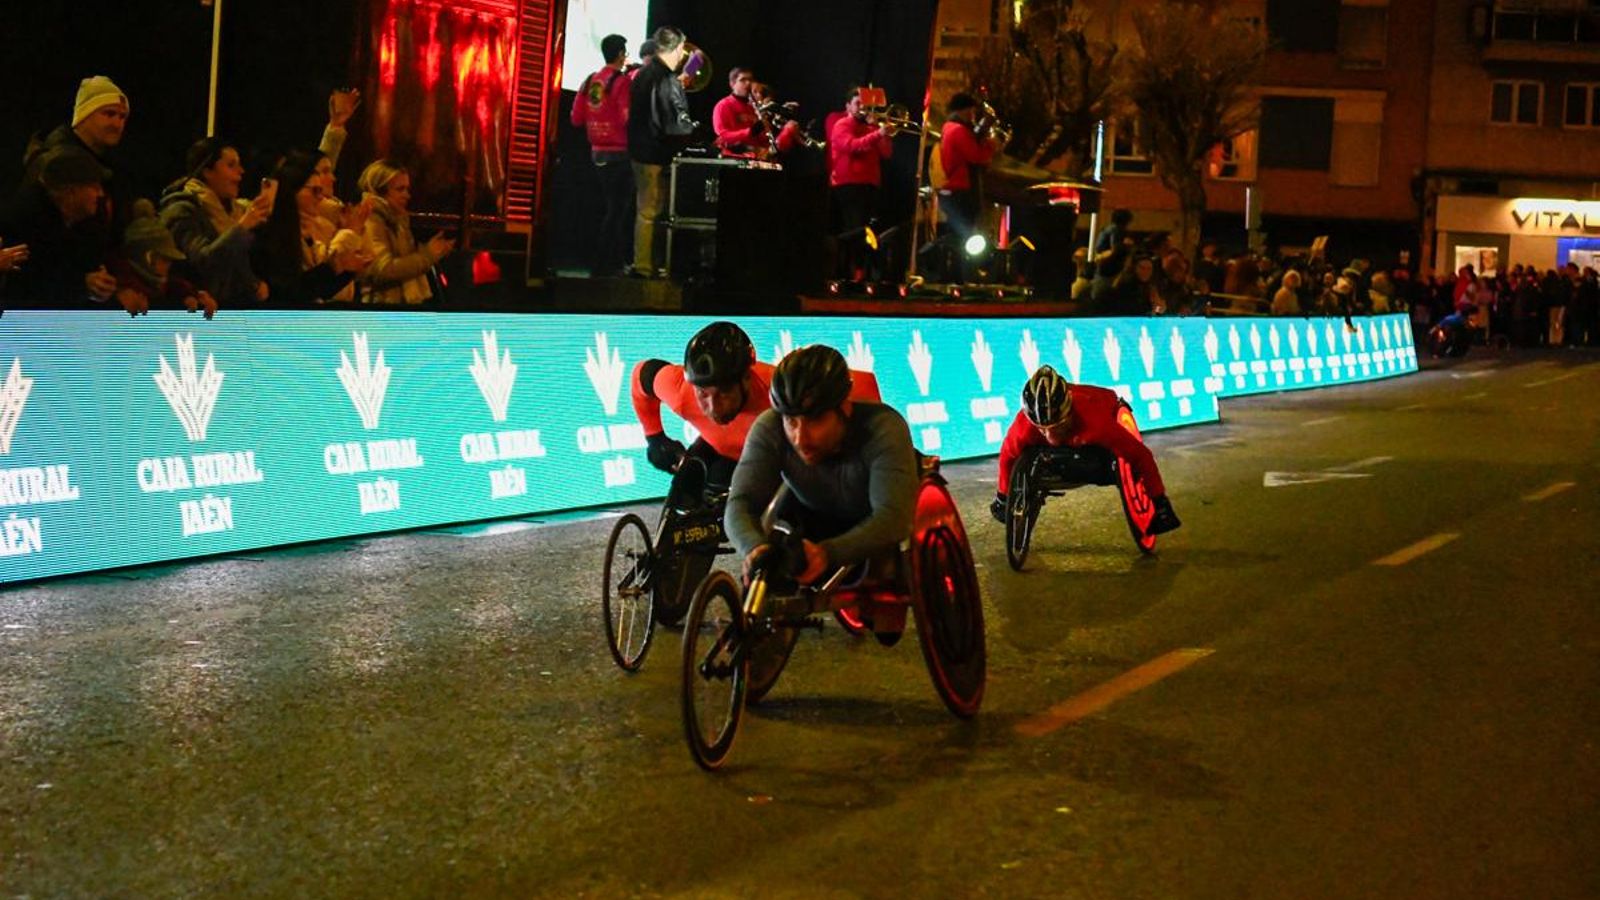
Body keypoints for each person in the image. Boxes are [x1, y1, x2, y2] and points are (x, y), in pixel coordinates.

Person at [724, 344, 918, 601]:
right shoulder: (769, 427)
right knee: (768, 563)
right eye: (791, 421)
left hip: (872, 519)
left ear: (844, 408)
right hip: (812, 512)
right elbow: (740, 503)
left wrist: (828, 553)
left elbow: (894, 518)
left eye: (815, 420)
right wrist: (755, 548)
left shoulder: (884, 427)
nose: (800, 438)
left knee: (887, 625)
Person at [632, 321, 882, 490]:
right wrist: (654, 437)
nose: (713, 406)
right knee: (686, 486)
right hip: (722, 452)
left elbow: (864, 385)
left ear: (746, 378)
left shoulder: (781, 390)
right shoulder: (681, 392)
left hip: (779, 460)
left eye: (724, 392)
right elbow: (641, 375)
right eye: (703, 393)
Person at [990, 365, 1181, 536]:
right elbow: (1007, 457)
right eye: (1042, 429)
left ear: (1067, 414)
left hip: (1105, 404)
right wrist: (1003, 497)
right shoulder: (1024, 426)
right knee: (1018, 448)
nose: (1049, 435)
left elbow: (1141, 455)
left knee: (1106, 461)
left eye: (1056, 427)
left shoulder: (1095, 422)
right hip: (1068, 429)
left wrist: (1160, 503)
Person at [158, 137, 276, 305]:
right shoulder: (182, 210)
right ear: (207, 171)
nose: (241, 171)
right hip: (199, 311)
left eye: (240, 164)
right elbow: (203, 261)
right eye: (231, 165)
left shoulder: (235, 210)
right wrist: (242, 227)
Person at [250, 150, 370, 305]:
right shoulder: (271, 232)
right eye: (315, 190)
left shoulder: (304, 231)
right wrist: (332, 267)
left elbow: (313, 290)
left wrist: (346, 271)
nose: (320, 197)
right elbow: (287, 293)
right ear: (292, 190)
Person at [21, 76, 131, 242]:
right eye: (109, 114)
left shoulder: (105, 164)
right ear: (84, 114)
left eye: (122, 117)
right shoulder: (60, 162)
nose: (117, 123)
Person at [0, 149, 115, 306]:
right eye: (94, 187)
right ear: (71, 192)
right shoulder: (25, 219)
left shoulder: (89, 220)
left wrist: (97, 283)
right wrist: (82, 285)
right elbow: (27, 286)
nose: (100, 194)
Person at [626, 26, 695, 279]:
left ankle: (646, 264)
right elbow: (674, 124)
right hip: (654, 153)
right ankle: (645, 266)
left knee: (646, 210)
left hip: (640, 150)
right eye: (682, 50)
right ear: (676, 48)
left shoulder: (644, 74)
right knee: (650, 211)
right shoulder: (664, 79)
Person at [571, 34, 635, 277]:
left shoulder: (590, 81)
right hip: (619, 154)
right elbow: (626, 118)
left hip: (596, 153)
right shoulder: (622, 82)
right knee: (618, 211)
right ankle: (601, 264)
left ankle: (614, 263)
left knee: (610, 209)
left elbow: (576, 119)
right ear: (620, 54)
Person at [356, 160, 455, 304]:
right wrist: (428, 255)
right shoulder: (371, 218)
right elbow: (383, 270)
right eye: (400, 189)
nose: (407, 195)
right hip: (382, 310)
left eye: (407, 189)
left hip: (397, 307)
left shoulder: (397, 219)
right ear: (379, 190)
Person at [828, 86, 893, 281]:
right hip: (848, 184)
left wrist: (880, 131)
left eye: (865, 105)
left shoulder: (870, 126)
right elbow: (851, 146)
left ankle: (861, 273)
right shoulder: (842, 124)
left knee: (867, 232)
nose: (862, 108)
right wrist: (877, 134)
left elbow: (886, 153)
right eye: (857, 104)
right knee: (854, 230)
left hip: (869, 183)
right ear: (848, 106)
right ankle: (847, 274)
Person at [107, 207, 217, 319]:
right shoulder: (116, 288)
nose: (169, 265)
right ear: (149, 258)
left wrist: (195, 296)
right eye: (165, 259)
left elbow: (174, 285)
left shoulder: (159, 285)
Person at [937, 92, 999, 275]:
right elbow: (975, 156)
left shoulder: (948, 127)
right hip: (960, 190)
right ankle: (961, 273)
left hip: (953, 189)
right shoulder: (958, 130)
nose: (973, 116)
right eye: (972, 111)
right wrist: (990, 146)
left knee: (959, 234)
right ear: (963, 111)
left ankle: (955, 272)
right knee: (965, 235)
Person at [712, 67, 766, 158]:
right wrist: (750, 131)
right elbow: (723, 135)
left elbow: (761, 140)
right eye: (743, 80)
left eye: (750, 80)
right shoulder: (723, 105)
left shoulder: (753, 107)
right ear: (732, 84)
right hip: (733, 158)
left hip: (754, 158)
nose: (748, 83)